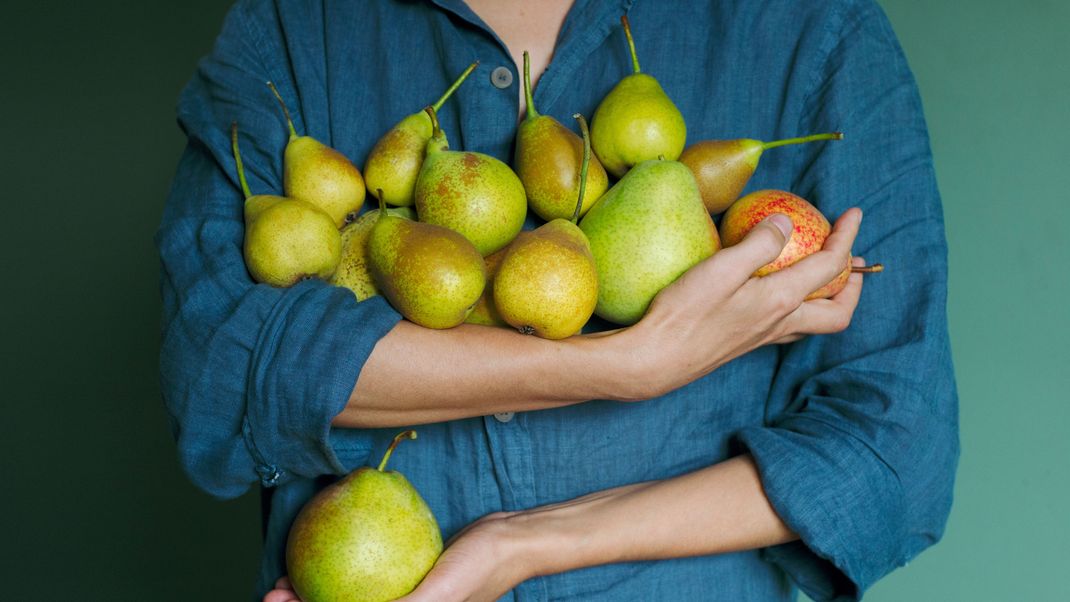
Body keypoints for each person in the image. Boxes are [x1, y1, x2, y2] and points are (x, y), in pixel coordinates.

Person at [157, 0, 958, 600]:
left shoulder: (805, 27)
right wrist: (627, 364)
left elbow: (891, 447)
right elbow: (217, 364)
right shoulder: (294, 29)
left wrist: (526, 544)